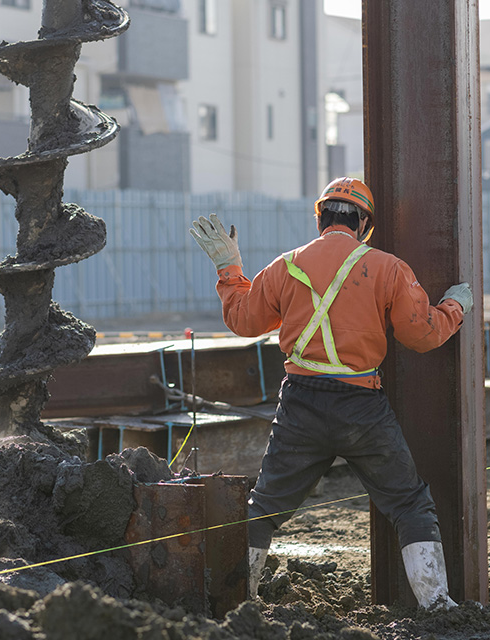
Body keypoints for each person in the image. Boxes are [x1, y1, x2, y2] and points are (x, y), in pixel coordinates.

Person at [189, 177, 472, 610]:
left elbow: (244, 320)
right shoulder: (387, 268)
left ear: (321, 217)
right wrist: (455, 306)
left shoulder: (287, 265)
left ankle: (235, 604)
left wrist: (230, 270)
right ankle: (437, 606)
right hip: (362, 407)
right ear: (364, 225)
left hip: (300, 404)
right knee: (410, 504)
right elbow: (423, 334)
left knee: (263, 508)